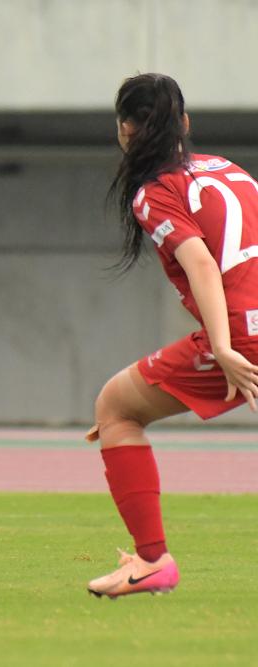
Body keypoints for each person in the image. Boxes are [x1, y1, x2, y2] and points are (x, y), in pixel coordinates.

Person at [86, 73, 258, 598]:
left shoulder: (155, 191)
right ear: (184, 122)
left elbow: (201, 264)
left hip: (243, 334)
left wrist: (223, 346)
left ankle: (152, 561)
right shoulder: (228, 169)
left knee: (116, 409)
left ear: (124, 130)